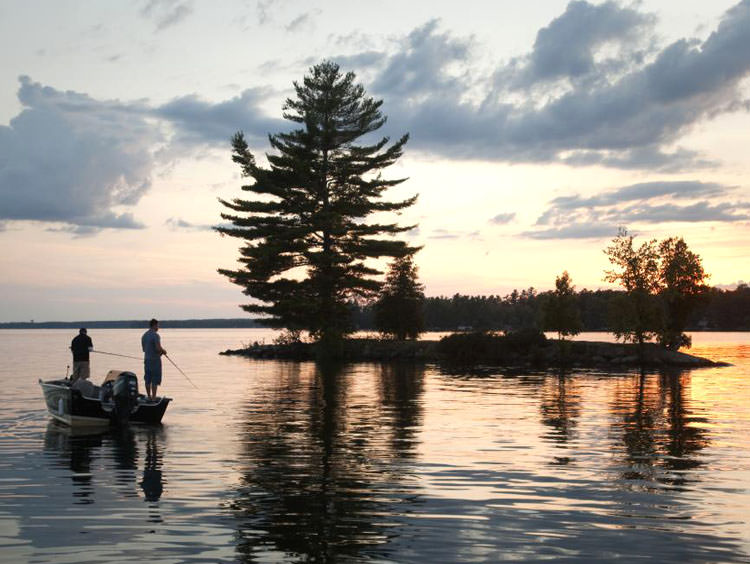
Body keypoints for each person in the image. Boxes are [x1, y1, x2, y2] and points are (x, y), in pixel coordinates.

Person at [141, 318, 167, 401]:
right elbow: (158, 348)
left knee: (147, 379)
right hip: (155, 361)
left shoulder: (144, 335)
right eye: (157, 325)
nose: (158, 327)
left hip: (147, 360)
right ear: (154, 325)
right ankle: (154, 397)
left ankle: (148, 396)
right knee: (155, 379)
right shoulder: (156, 335)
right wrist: (163, 351)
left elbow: (144, 349)